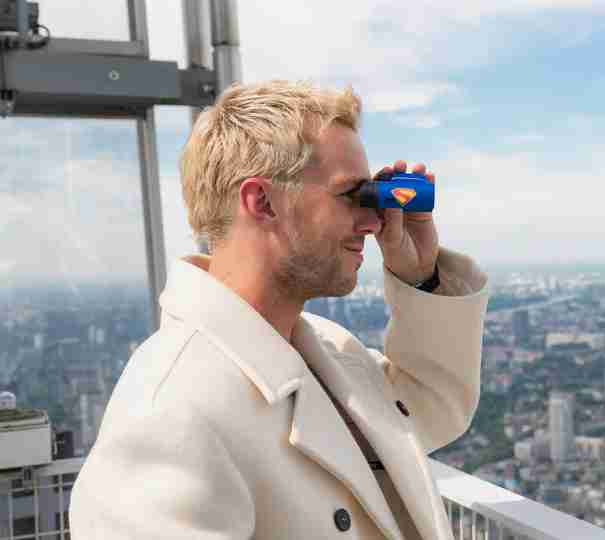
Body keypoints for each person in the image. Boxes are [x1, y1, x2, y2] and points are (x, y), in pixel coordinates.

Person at [69, 80, 489, 540]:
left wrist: (420, 276)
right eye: (353, 196)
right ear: (263, 202)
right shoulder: (167, 411)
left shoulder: (326, 349)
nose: (373, 223)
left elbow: (428, 408)